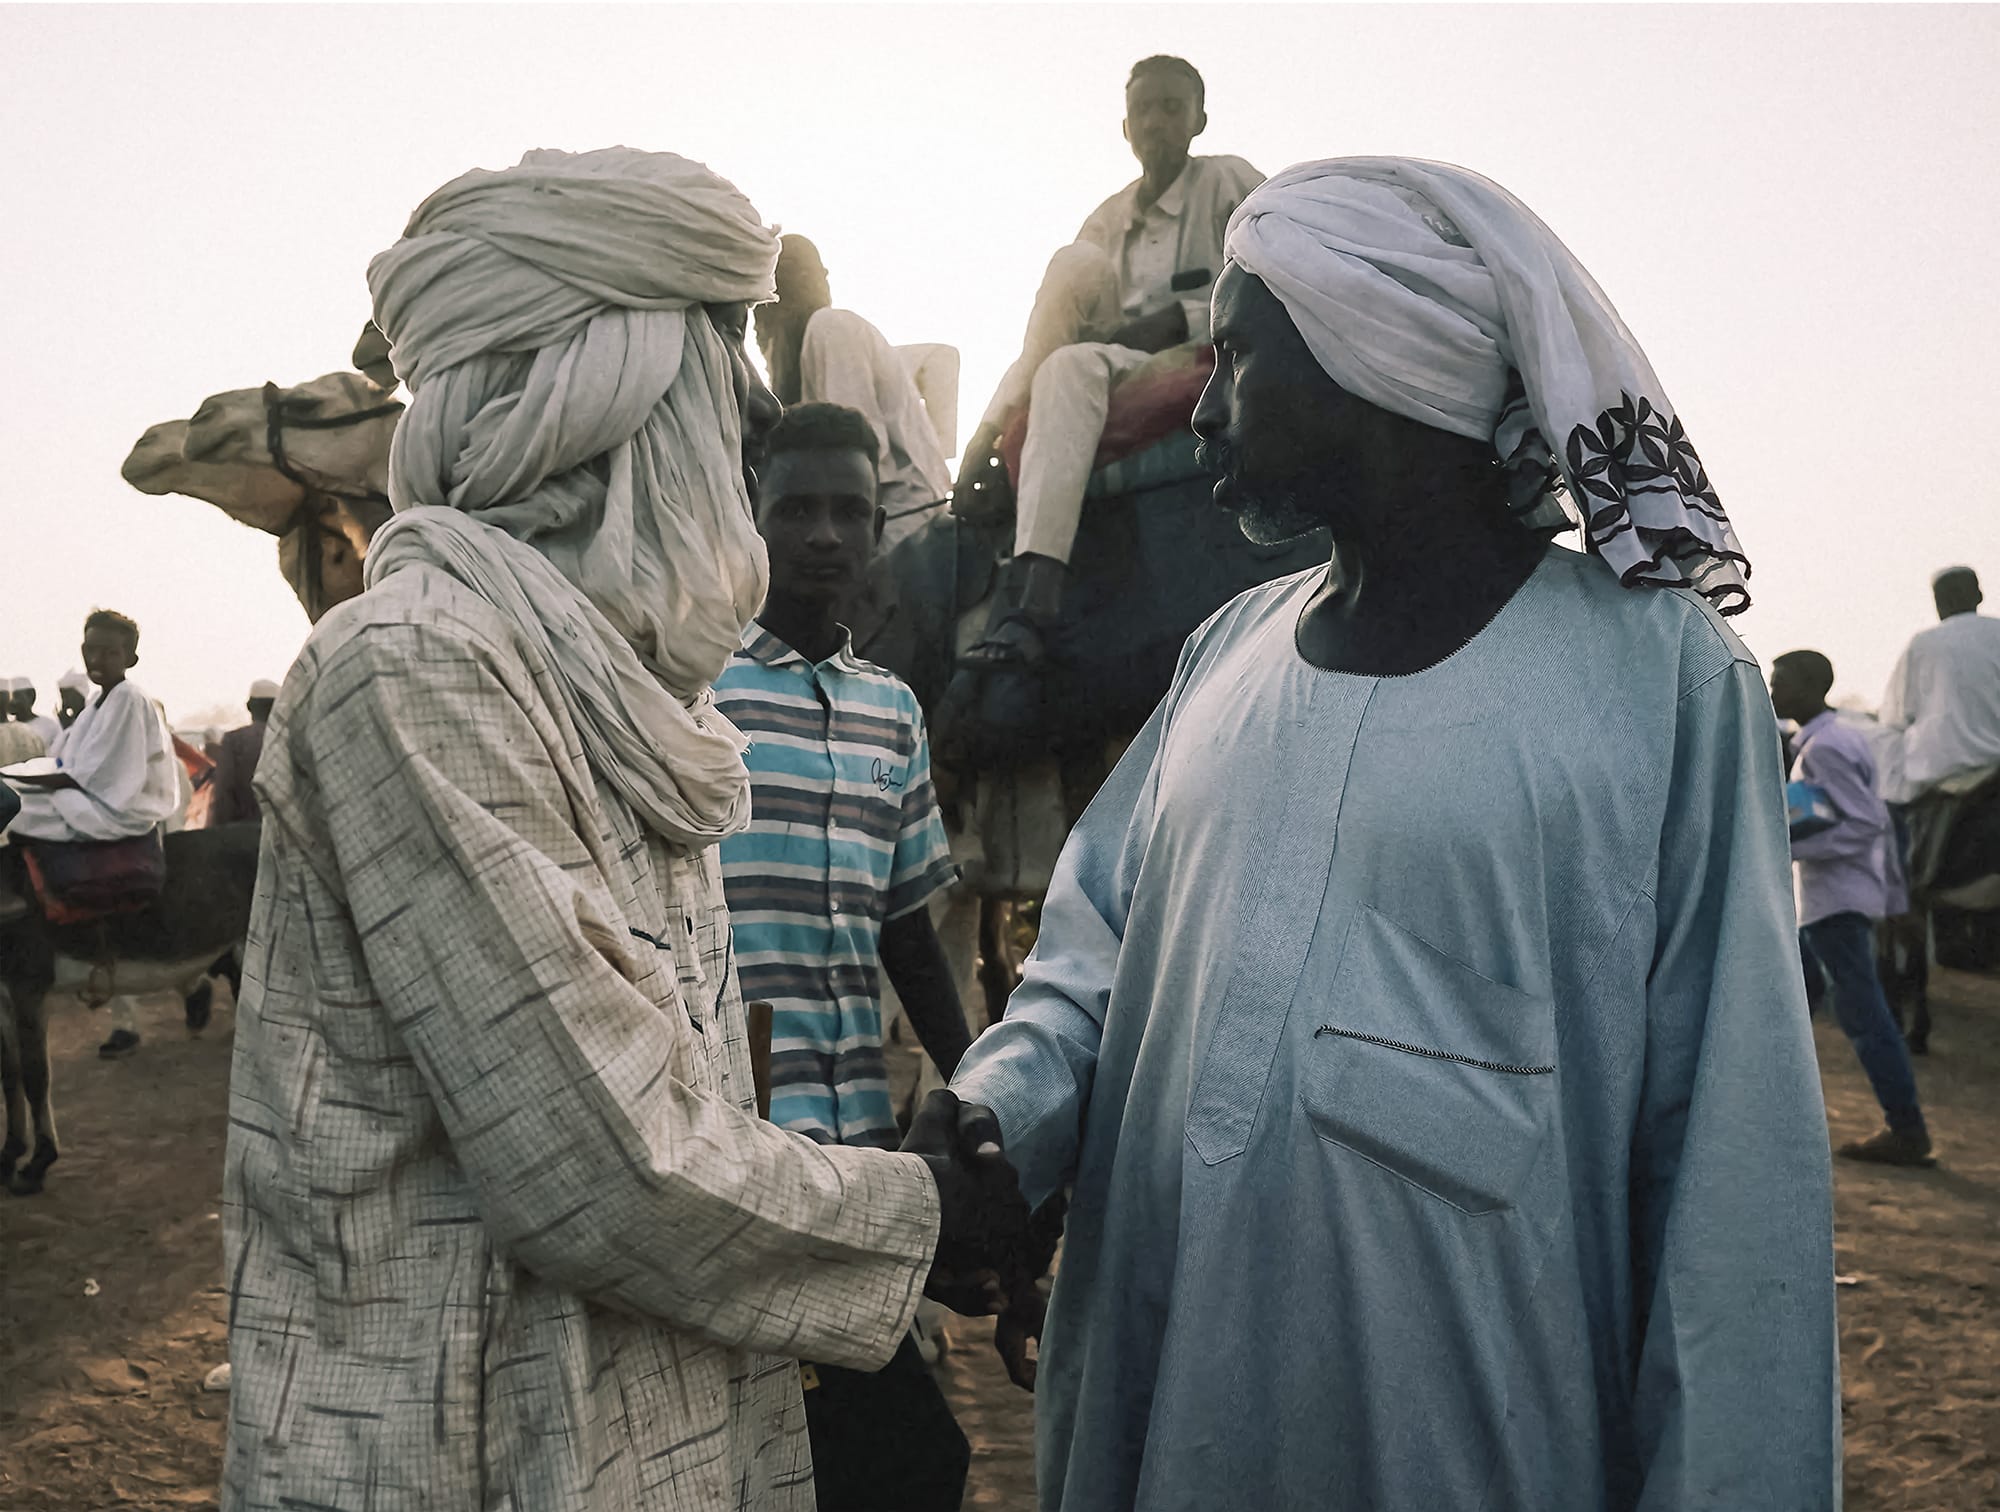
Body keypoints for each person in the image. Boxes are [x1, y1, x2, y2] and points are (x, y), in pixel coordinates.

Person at [908, 158, 1838, 1508]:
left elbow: (1730, 1173)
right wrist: (1003, 1120)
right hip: (1175, 1408)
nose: (1207, 411)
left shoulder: (1666, 686)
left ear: (1378, 361)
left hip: (1474, 1437)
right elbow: (1087, 967)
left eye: (1240, 360)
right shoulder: (1227, 654)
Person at [220, 149, 1027, 1512]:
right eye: (726, 359)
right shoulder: (413, 670)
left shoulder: (634, 692)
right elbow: (606, 1165)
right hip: (460, 1445)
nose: (760, 409)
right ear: (604, 400)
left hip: (657, 1422)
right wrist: (934, 1209)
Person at [712, 401, 975, 1511]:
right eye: (797, 509)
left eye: (850, 513)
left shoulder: (892, 715)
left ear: (878, 533)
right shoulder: (694, 695)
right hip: (733, 1153)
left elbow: (908, 935)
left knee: (905, 1467)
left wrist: (977, 1089)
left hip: (858, 1161)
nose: (824, 535)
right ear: (751, 517)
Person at [955, 56, 1261, 671]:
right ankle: (990, 441)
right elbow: (1054, 327)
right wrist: (986, 434)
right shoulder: (1108, 216)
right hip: (1119, 369)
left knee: (1070, 370)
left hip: (1209, 356)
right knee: (1071, 282)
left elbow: (1271, 273)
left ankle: (1034, 603)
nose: (1156, 122)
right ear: (1125, 128)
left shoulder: (1226, 181)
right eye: (1143, 110)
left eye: (1171, 107)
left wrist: (1180, 317)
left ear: (1199, 119)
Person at [1771, 650, 1933, 1165]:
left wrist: (1787, 848)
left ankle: (1906, 1129)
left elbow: (1863, 823)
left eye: (1783, 683)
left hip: (1834, 901)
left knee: (1864, 1017)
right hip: (1826, 899)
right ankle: (1766, 1115)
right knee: (1788, 1006)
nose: (1773, 692)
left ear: (1815, 686)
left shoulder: (1826, 747)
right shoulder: (1828, 739)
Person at [753, 236, 951, 550]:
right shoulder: (819, 342)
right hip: (874, 518)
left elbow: (855, 448)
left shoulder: (831, 328)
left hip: (902, 520)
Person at [7, 612, 179, 848]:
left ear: (130, 659)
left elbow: (93, 778)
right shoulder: (96, 705)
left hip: (112, 814)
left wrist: (15, 780)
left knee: (11, 808)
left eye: (110, 653)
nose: (97, 660)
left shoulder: (128, 697)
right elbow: (66, 764)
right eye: (91, 651)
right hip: (86, 800)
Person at [204, 678, 277, 826]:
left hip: (244, 834)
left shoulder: (234, 741)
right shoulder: (289, 737)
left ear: (249, 707)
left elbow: (224, 793)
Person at [8, 678, 61, 747]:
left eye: (16, 696)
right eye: (9, 697)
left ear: (31, 696)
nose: (12, 701)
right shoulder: (6, 731)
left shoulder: (49, 726)